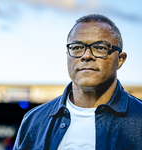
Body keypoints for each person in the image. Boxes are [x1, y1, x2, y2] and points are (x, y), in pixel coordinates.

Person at [13, 14, 142, 150]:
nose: (86, 56)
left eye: (100, 47)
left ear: (120, 59)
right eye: (76, 47)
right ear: (67, 56)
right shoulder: (34, 121)